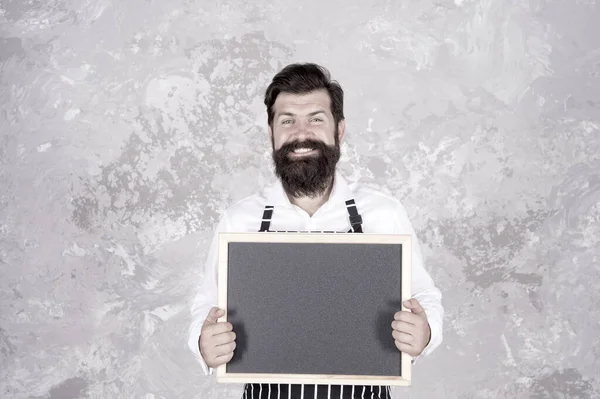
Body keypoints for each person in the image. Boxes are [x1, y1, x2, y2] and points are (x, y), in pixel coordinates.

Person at [188, 63, 444, 399]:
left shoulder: (383, 214)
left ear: (339, 130)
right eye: (287, 120)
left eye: (316, 119)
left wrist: (425, 334)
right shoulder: (239, 221)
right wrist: (203, 343)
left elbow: (424, 298)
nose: (301, 132)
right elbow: (207, 305)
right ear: (272, 133)